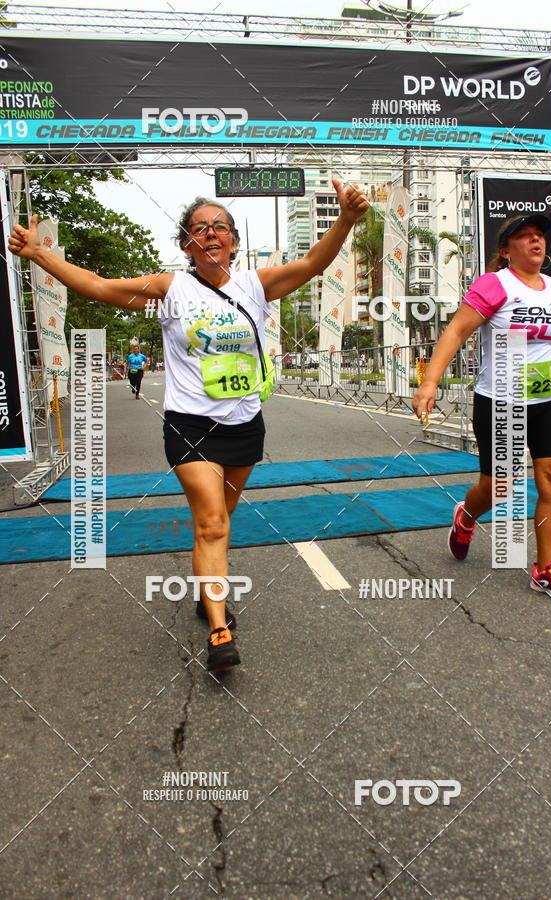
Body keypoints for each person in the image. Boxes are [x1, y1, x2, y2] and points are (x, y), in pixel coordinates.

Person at [9, 178, 369, 668]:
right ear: (187, 243)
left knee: (221, 518)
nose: (211, 233)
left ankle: (208, 590)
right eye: (200, 228)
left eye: (221, 227)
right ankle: (219, 632)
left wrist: (346, 219)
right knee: (212, 521)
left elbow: (313, 264)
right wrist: (39, 255)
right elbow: (97, 285)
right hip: (189, 425)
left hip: (244, 424)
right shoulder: (169, 288)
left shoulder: (256, 285)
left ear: (235, 241)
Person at [412, 213, 551, 602]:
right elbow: (456, 330)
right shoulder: (495, 284)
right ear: (506, 251)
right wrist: (430, 382)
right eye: (524, 237)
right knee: (498, 488)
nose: (536, 242)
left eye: (539, 236)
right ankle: (466, 516)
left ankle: (546, 568)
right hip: (501, 402)